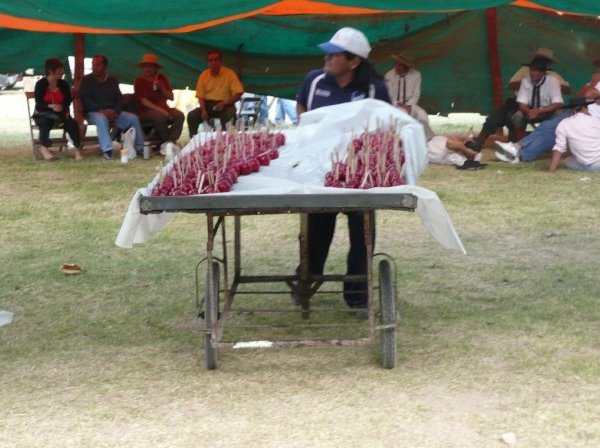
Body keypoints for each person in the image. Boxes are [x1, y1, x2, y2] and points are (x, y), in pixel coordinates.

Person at [295, 27, 391, 317]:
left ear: (354, 62)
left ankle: (358, 295)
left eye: (334, 54)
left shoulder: (375, 89)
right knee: (317, 229)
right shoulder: (314, 81)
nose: (327, 58)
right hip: (318, 170)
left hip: (359, 174)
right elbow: (301, 105)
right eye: (328, 52)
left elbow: (387, 123)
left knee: (362, 234)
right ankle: (307, 280)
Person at [494, 70, 600, 163]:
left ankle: (517, 149)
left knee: (549, 129)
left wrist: (594, 82)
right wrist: (592, 84)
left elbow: (587, 94)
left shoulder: (596, 81)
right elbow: (579, 94)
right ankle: (519, 152)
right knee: (548, 129)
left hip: (591, 118)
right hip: (579, 112)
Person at [475, 48, 568, 146]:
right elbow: (511, 85)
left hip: (543, 106)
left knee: (557, 115)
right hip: (518, 103)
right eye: (538, 59)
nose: (534, 71)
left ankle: (523, 142)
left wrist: (550, 85)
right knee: (499, 118)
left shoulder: (553, 76)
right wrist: (530, 83)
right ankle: (480, 140)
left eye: (545, 60)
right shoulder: (525, 71)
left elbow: (567, 90)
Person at [80, 54, 145, 160]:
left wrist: (116, 111)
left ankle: (140, 148)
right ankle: (107, 151)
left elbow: (119, 99)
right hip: (94, 112)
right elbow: (85, 100)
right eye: (93, 64)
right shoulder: (86, 80)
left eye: (97, 65)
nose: (94, 67)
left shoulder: (112, 80)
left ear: (105, 67)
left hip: (112, 112)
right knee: (101, 118)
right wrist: (101, 110)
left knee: (133, 118)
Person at [32, 58, 82, 161]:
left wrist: (61, 107)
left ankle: (77, 150)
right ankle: (44, 149)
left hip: (60, 114)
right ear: (50, 71)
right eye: (59, 71)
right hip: (43, 113)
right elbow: (39, 103)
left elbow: (68, 100)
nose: (62, 73)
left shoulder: (63, 84)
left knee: (72, 123)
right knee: (45, 122)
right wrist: (51, 106)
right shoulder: (41, 84)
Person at [186, 50, 244, 136]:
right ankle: (194, 141)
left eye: (216, 60)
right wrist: (203, 110)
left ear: (221, 61)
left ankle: (227, 140)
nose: (213, 63)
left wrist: (225, 103)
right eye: (210, 60)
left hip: (226, 104)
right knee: (192, 116)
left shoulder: (229, 74)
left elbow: (238, 93)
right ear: (208, 63)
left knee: (229, 115)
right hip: (208, 105)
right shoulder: (203, 75)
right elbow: (200, 96)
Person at [133, 54, 184, 150]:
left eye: (151, 66)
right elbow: (144, 101)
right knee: (160, 116)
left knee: (179, 115)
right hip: (145, 111)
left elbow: (171, 97)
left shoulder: (161, 78)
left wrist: (162, 88)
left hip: (164, 108)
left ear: (156, 68)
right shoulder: (139, 81)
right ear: (143, 67)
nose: (148, 69)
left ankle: (171, 141)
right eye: (146, 66)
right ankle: (165, 141)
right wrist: (161, 110)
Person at [384, 52, 434, 139]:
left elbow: (416, 93)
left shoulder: (416, 75)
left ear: (407, 66)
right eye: (396, 64)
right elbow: (389, 95)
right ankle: (399, 139)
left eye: (400, 65)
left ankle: (427, 139)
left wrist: (409, 106)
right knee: (402, 113)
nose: (397, 67)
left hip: (410, 104)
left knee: (422, 114)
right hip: (394, 105)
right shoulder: (389, 75)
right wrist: (398, 104)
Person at [548, 97, 600, 172]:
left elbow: (559, 148)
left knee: (568, 161)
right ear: (585, 108)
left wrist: (551, 170)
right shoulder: (596, 121)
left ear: (572, 110)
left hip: (585, 164)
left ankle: (588, 168)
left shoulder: (564, 123)